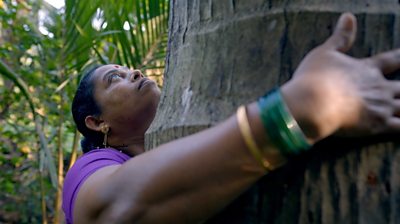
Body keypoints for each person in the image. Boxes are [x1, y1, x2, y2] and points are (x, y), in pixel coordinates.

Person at [62, 13, 400, 223]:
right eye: (114, 78)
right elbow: (114, 208)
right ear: (97, 122)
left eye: (126, 69)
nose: (133, 72)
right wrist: (299, 110)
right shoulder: (89, 167)